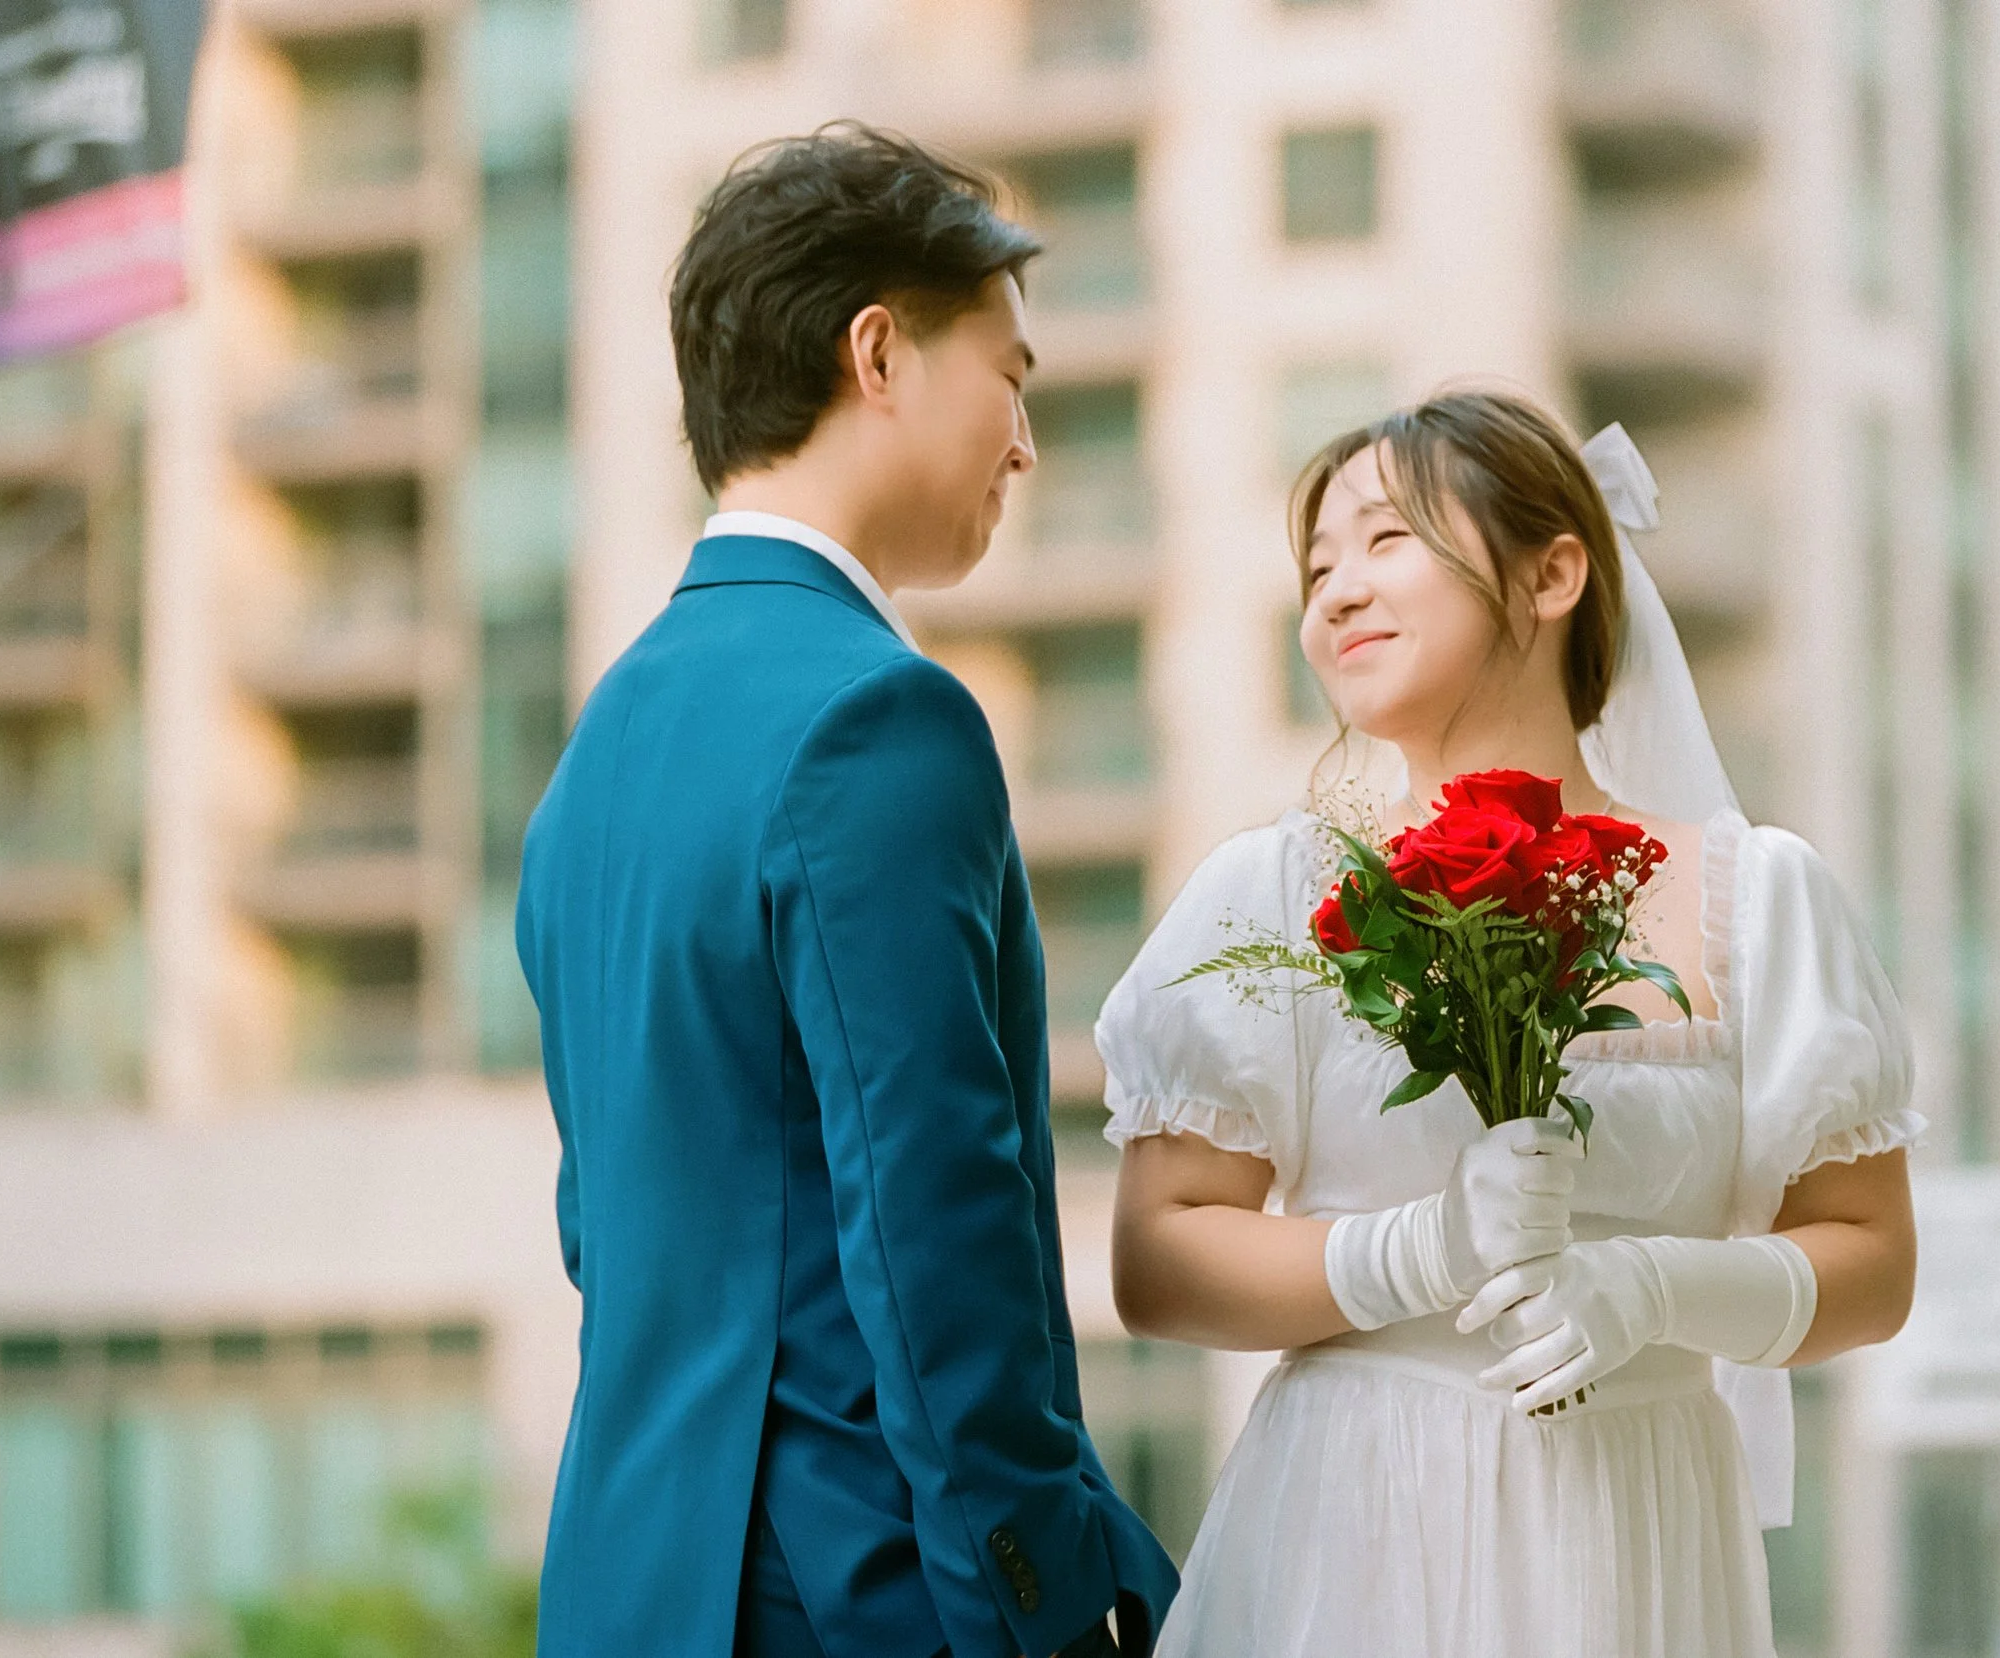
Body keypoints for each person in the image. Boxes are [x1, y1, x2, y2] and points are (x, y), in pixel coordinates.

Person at [1097, 390, 1923, 1657]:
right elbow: (1157, 1258)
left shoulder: (1757, 899)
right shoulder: (1272, 895)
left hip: (1639, 1527)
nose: (1334, 596)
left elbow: (1871, 1259)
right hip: (1359, 1523)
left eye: (1384, 541)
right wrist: (1418, 1252)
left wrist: (1653, 1283)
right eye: (1317, 566)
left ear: (1552, 572)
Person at [516, 123, 1177, 1658]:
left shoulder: (594, 755)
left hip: (623, 1587)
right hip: (859, 1597)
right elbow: (935, 1231)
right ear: (878, 353)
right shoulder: (878, 716)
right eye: (1012, 376)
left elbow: (604, 1235)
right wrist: (1050, 1604)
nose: (1026, 442)